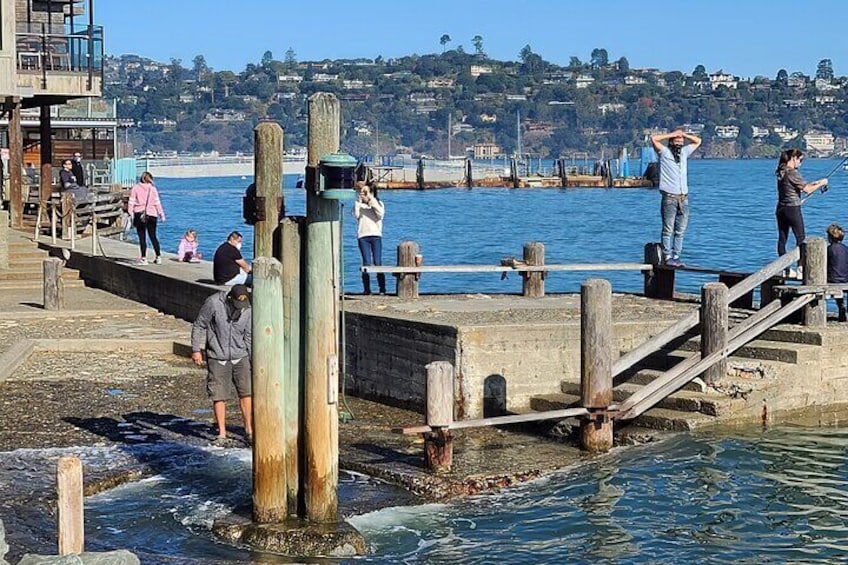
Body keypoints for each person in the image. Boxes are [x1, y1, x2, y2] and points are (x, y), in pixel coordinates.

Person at [190, 284, 253, 446]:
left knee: (246, 392)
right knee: (219, 394)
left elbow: (249, 335)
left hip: (241, 355)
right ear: (229, 298)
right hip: (218, 356)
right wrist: (196, 350)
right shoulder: (213, 303)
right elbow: (199, 325)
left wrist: (252, 358)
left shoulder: (247, 308)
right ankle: (222, 433)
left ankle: (249, 429)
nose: (240, 309)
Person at [651, 128, 702, 267]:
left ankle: (676, 256)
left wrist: (683, 134)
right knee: (668, 229)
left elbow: (698, 141)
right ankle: (667, 256)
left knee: (680, 230)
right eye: (677, 140)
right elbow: (654, 139)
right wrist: (673, 134)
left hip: (683, 198)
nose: (680, 142)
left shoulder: (684, 153)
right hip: (669, 197)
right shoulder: (664, 152)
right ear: (671, 141)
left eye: (681, 141)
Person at [775, 148, 828, 279]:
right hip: (793, 210)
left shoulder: (781, 172)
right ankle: (800, 269)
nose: (801, 163)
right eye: (800, 160)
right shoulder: (793, 173)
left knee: (782, 239)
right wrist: (822, 183)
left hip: (781, 209)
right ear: (793, 158)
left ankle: (785, 269)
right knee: (801, 239)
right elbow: (807, 190)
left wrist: (815, 183)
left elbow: (795, 188)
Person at [353, 181, 386, 294]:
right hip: (363, 236)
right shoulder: (360, 205)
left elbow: (380, 214)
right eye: (362, 192)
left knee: (378, 262)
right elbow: (356, 215)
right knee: (366, 262)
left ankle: (382, 289)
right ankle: (367, 289)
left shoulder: (379, 203)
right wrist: (358, 201)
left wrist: (371, 199)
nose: (363, 194)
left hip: (376, 236)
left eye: (365, 192)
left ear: (371, 192)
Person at [127, 171, 166, 265]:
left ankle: (144, 258)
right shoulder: (153, 189)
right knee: (153, 236)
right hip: (152, 214)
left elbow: (131, 201)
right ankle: (158, 256)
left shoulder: (136, 188)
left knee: (142, 237)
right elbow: (157, 203)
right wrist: (162, 215)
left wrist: (130, 212)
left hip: (140, 214)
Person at [826, 223, 848, 322]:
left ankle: (841, 306)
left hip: (833, 279)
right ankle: (842, 309)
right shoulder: (846, 249)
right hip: (845, 278)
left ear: (830, 237)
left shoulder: (829, 249)